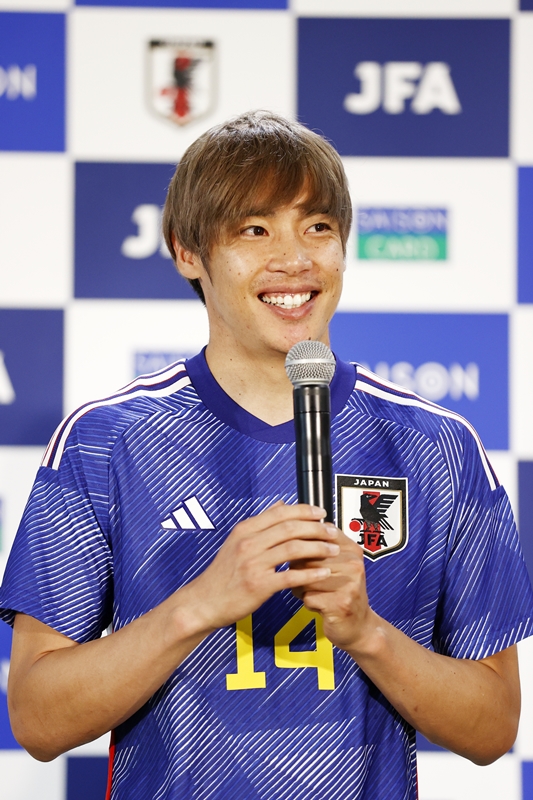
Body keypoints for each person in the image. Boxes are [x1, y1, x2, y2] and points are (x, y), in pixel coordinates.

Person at [1, 110, 532, 800]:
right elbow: (37, 719)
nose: (296, 260)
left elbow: (493, 727)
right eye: (254, 230)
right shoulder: (106, 440)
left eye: (318, 227)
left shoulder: (437, 446)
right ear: (187, 252)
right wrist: (199, 604)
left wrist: (366, 632)